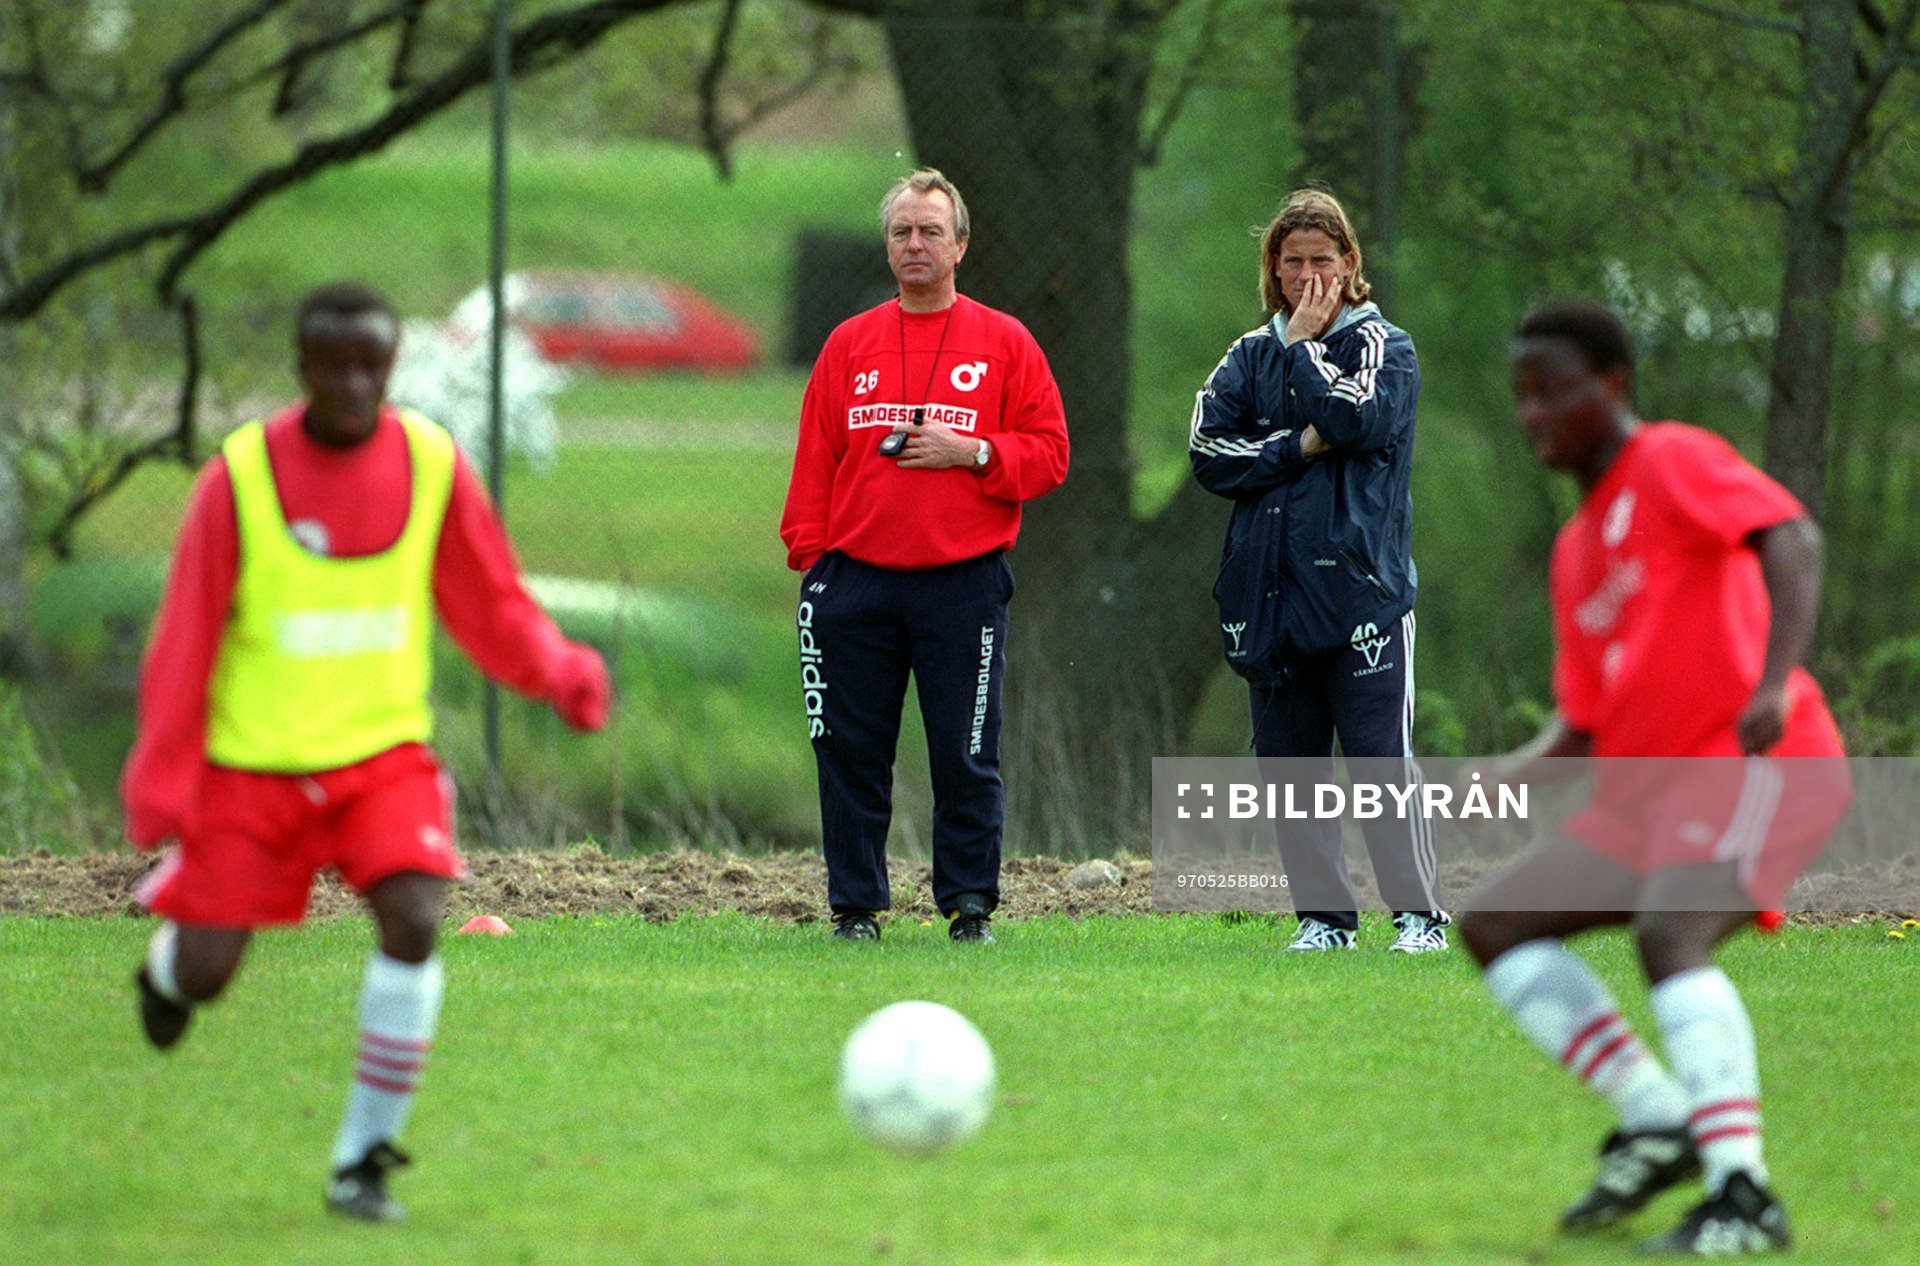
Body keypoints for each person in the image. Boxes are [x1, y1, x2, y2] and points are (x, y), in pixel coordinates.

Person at [120, 281, 610, 1222]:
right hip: (252, 771)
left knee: (416, 914)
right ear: (303, 369)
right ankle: (170, 963)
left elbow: (492, 603)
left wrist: (558, 669)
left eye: (370, 366)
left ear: (391, 367)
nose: (352, 383)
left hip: (383, 761)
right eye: (333, 366)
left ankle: (361, 1162)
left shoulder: (430, 465)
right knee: (210, 975)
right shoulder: (240, 479)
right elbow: (185, 640)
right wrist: (162, 778)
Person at [1457, 299, 1851, 1254]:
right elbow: (1586, 731)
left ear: (1612, 387)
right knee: (1495, 923)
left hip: (1760, 759)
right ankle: (1656, 1116)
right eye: (1521, 398)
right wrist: (1485, 783)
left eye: (1551, 391)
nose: (1533, 415)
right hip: (1652, 797)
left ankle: (1743, 1192)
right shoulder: (1576, 550)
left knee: (1670, 930)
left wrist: (1768, 683)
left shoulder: (1671, 459)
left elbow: (1792, 539)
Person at [779, 167, 1069, 945]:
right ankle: (855, 909)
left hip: (961, 586)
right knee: (850, 754)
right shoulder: (849, 344)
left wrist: (972, 451)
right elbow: (815, 460)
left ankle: (968, 907)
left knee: (965, 754)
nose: (915, 244)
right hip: (855, 584)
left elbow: (1049, 456)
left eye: (930, 231)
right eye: (902, 231)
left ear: (960, 245)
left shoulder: (1006, 343)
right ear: (887, 246)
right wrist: (816, 565)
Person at [1188, 188, 1447, 952]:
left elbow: (1354, 421)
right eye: (1293, 261)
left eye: (1322, 262)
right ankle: (1324, 921)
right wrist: (1290, 450)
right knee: (1290, 766)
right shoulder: (1245, 356)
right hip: (1272, 598)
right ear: (1272, 266)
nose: (1308, 277)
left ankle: (1419, 918)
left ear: (1349, 265)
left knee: (1378, 761)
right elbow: (1208, 452)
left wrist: (1304, 351)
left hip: (1364, 596)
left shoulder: (1384, 347)